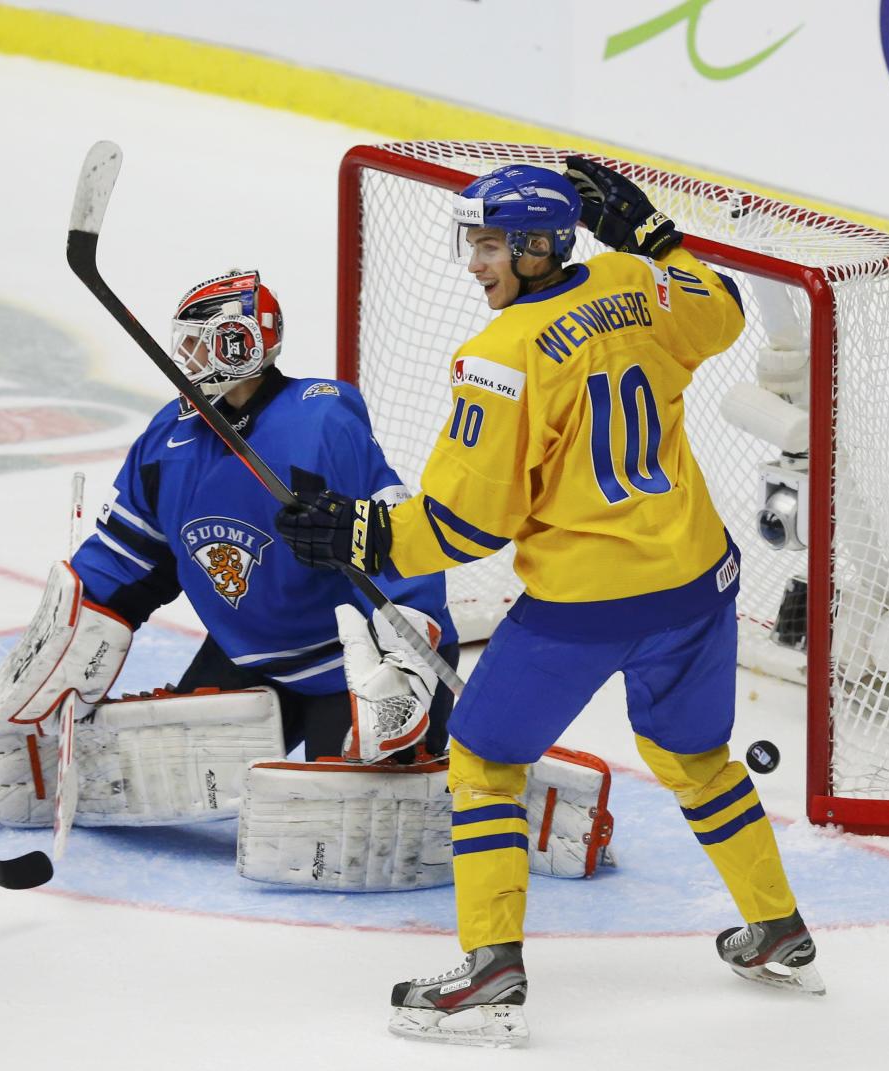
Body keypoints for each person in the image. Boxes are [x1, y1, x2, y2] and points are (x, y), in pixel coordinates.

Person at [276, 160, 823, 1047]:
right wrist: (655, 238)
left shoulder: (499, 358)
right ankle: (779, 927)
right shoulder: (630, 280)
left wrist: (364, 536)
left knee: (485, 760)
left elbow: (464, 525)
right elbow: (720, 315)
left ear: (537, 248)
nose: (474, 263)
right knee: (697, 759)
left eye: (491, 245)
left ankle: (491, 969)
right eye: (474, 243)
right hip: (696, 581)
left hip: (587, 603)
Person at [0, 269, 458, 833]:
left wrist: (408, 666)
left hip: (352, 669)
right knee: (152, 773)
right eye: (185, 343)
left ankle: (426, 738)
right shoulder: (167, 441)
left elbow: (396, 541)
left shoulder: (319, 422)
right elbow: (128, 562)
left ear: (241, 344)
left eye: (199, 343)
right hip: (249, 657)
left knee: (348, 824)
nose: (185, 358)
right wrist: (60, 642)